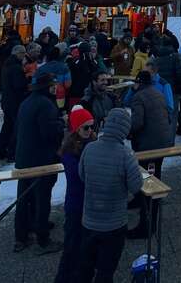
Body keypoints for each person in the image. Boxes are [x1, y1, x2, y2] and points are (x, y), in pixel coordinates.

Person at [78, 108, 143, 282]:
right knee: (106, 270)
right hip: (114, 224)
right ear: (125, 130)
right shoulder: (125, 155)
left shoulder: (89, 148)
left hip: (89, 220)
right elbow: (136, 187)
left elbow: (82, 175)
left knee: (86, 266)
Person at [14, 72, 64, 254]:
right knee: (42, 199)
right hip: (41, 159)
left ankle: (21, 235)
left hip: (24, 158)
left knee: (24, 197)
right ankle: (43, 238)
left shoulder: (27, 102)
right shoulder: (46, 105)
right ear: (47, 86)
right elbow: (49, 134)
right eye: (54, 84)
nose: (56, 87)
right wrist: (61, 123)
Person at [53, 106, 96, 283]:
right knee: (71, 247)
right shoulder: (69, 150)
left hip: (91, 203)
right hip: (77, 204)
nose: (90, 130)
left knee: (88, 247)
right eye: (86, 127)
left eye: (92, 126)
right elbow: (78, 175)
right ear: (77, 128)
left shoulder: (93, 142)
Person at [127, 71, 171, 239]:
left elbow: (137, 122)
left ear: (138, 82)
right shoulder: (157, 92)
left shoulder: (139, 96)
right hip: (161, 143)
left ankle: (147, 225)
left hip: (148, 146)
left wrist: (127, 131)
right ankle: (142, 203)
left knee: (148, 182)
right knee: (153, 178)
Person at [0, 44, 28, 162]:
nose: (24, 56)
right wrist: (27, 80)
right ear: (18, 54)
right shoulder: (16, 67)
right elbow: (19, 85)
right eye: (23, 53)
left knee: (7, 127)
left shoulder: (7, 64)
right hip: (14, 102)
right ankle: (11, 153)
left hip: (6, 100)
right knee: (15, 127)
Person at [37, 45, 72, 110]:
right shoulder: (64, 68)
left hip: (44, 97)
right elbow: (68, 85)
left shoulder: (41, 68)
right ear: (59, 56)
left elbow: (36, 83)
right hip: (59, 97)